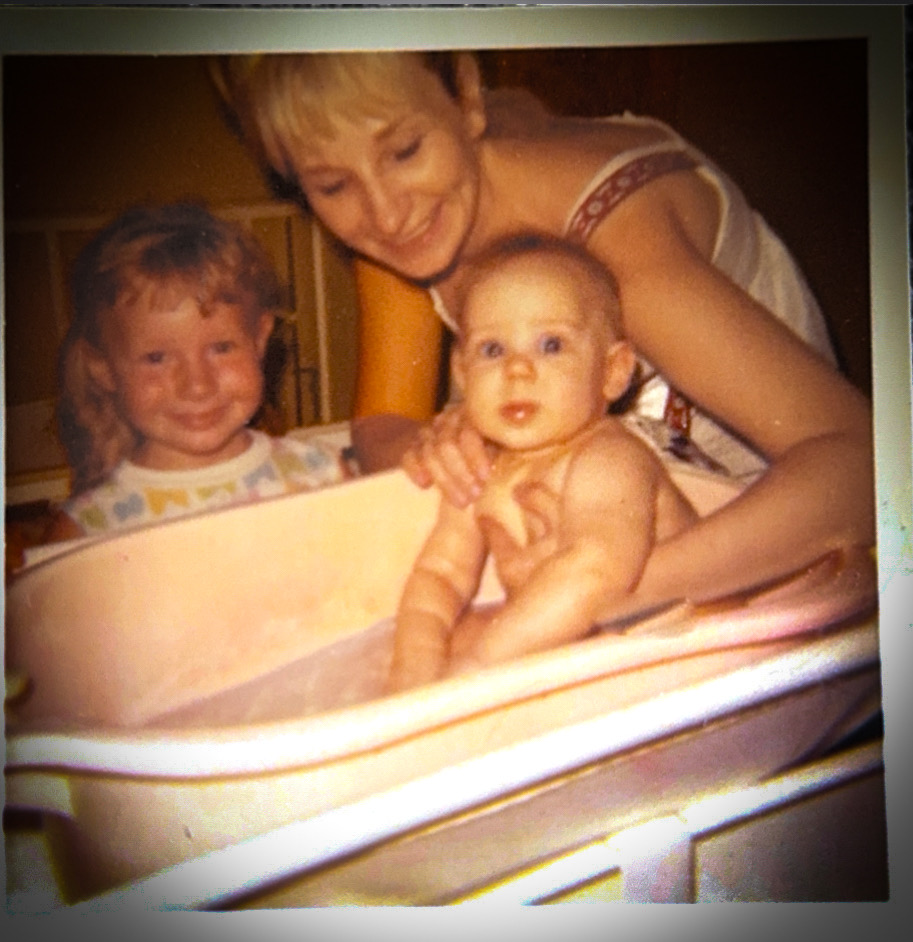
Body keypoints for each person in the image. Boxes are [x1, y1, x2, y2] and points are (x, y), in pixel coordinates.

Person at [212, 50, 875, 622]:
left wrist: (598, 591)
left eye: (405, 150)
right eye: (332, 185)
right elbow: (383, 424)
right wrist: (438, 446)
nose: (385, 212)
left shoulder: (619, 242)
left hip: (775, 543)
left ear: (465, 97)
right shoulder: (402, 241)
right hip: (586, 532)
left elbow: (864, 468)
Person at [389, 236, 698, 691]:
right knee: (455, 639)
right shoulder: (483, 469)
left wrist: (473, 673)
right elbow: (441, 574)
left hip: (682, 656)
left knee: (479, 647)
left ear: (612, 372)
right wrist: (413, 670)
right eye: (493, 350)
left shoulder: (610, 459)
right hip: (581, 658)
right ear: (462, 373)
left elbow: (595, 571)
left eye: (551, 345)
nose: (517, 370)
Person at [46, 202, 347, 542]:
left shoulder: (321, 476)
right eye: (157, 357)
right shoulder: (89, 528)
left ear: (259, 339)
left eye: (221, 348)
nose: (198, 386)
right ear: (104, 369)